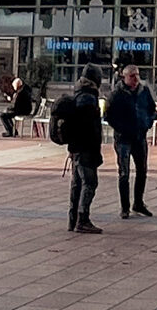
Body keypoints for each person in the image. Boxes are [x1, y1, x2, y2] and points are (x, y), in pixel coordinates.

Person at [58, 67, 106, 234]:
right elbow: (89, 127)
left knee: (77, 184)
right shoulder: (88, 98)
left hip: (77, 148)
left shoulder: (79, 93)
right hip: (85, 148)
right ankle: (82, 219)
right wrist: (94, 148)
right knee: (90, 183)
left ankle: (73, 220)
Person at [106, 64, 157, 219]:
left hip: (140, 136)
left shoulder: (144, 91)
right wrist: (122, 128)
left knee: (142, 170)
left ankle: (139, 202)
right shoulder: (117, 94)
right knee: (124, 173)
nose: (136, 79)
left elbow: (152, 109)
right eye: (132, 76)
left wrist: (147, 123)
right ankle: (125, 207)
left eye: (137, 75)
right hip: (123, 138)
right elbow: (109, 115)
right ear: (125, 77)